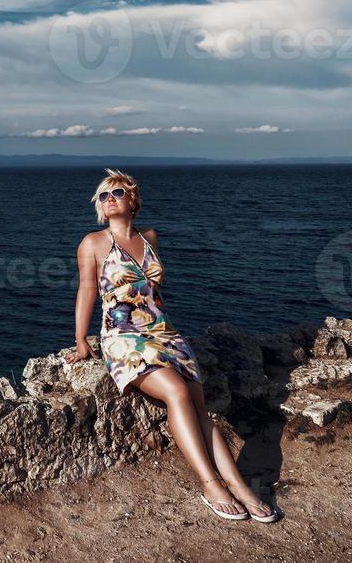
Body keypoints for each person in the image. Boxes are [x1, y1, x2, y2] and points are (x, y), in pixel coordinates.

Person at [64, 168, 279, 523]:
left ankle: (239, 485)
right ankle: (211, 484)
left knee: (199, 406)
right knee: (177, 392)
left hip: (165, 333)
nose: (108, 200)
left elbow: (154, 291)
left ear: (132, 199)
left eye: (116, 192)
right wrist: (81, 340)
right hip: (123, 338)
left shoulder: (151, 238)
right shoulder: (93, 243)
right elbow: (87, 290)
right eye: (103, 196)